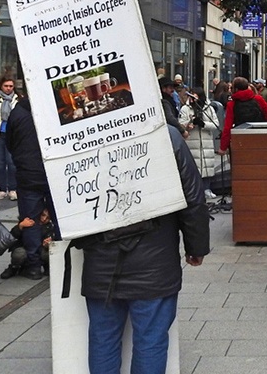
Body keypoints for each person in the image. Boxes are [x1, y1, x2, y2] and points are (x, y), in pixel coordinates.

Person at [81, 126, 209, 374]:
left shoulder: (84, 137)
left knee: (103, 338)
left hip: (101, 259)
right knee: (150, 340)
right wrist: (196, 246)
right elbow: (193, 197)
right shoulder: (165, 134)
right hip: (155, 260)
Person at [5, 97, 61, 280]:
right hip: (53, 170)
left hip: (28, 173)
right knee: (59, 217)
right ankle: (60, 259)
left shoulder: (18, 113)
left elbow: (10, 143)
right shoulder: (52, 108)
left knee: (31, 221)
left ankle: (34, 265)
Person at [179, 87, 220, 199]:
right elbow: (181, 124)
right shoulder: (185, 109)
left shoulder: (209, 109)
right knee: (194, 166)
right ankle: (195, 190)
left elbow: (216, 125)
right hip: (192, 142)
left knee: (207, 166)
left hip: (206, 142)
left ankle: (207, 188)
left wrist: (203, 124)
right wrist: (189, 124)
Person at [218, 77, 267, 154]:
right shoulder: (258, 99)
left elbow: (227, 127)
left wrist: (223, 147)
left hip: (240, 139)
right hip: (259, 136)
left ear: (235, 89)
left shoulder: (232, 104)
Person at [0, 208, 57, 279]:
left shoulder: (50, 227)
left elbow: (53, 239)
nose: (44, 219)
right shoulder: (28, 221)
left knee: (49, 252)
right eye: (43, 215)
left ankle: (47, 266)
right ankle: (14, 267)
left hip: (40, 249)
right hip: (24, 247)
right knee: (19, 253)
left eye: (48, 218)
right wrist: (20, 226)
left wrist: (48, 243)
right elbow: (11, 236)